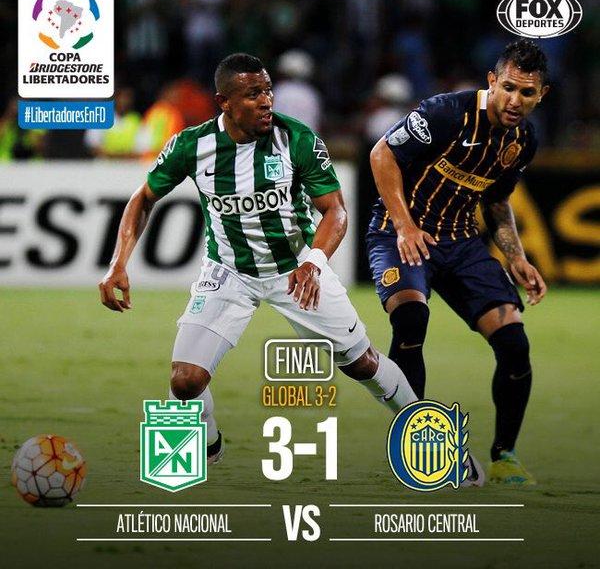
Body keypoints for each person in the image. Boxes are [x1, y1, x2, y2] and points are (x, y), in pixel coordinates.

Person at [99, 53, 467, 481]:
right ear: (224, 102)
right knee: (184, 382)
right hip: (229, 272)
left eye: (268, 90)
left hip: (297, 271)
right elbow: (143, 198)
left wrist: (313, 262)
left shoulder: (296, 138)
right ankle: (209, 447)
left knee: (362, 363)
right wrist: (117, 263)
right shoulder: (192, 145)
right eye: (253, 94)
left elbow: (336, 211)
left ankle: (435, 443)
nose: (266, 101)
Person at [367, 40, 549, 485]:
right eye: (509, 88)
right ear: (492, 81)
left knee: (514, 344)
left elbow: (497, 201)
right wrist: (405, 226)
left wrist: (517, 258)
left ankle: (505, 456)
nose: (515, 100)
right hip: (399, 233)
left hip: (462, 242)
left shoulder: (522, 141)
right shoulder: (446, 112)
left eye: (527, 92)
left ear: (541, 95)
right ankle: (414, 448)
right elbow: (381, 154)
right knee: (410, 319)